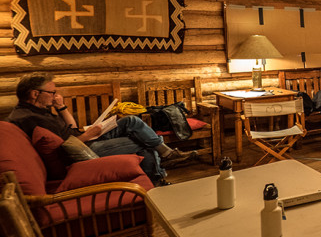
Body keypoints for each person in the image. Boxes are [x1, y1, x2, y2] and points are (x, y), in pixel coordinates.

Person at [7, 73, 195, 184]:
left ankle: (166, 156)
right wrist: (88, 134)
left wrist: (61, 107)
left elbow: (71, 129)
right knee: (142, 143)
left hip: (83, 139)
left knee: (131, 121)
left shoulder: (36, 110)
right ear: (34, 94)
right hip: (83, 151)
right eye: (52, 92)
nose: (55, 95)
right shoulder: (31, 119)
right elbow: (64, 149)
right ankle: (159, 176)